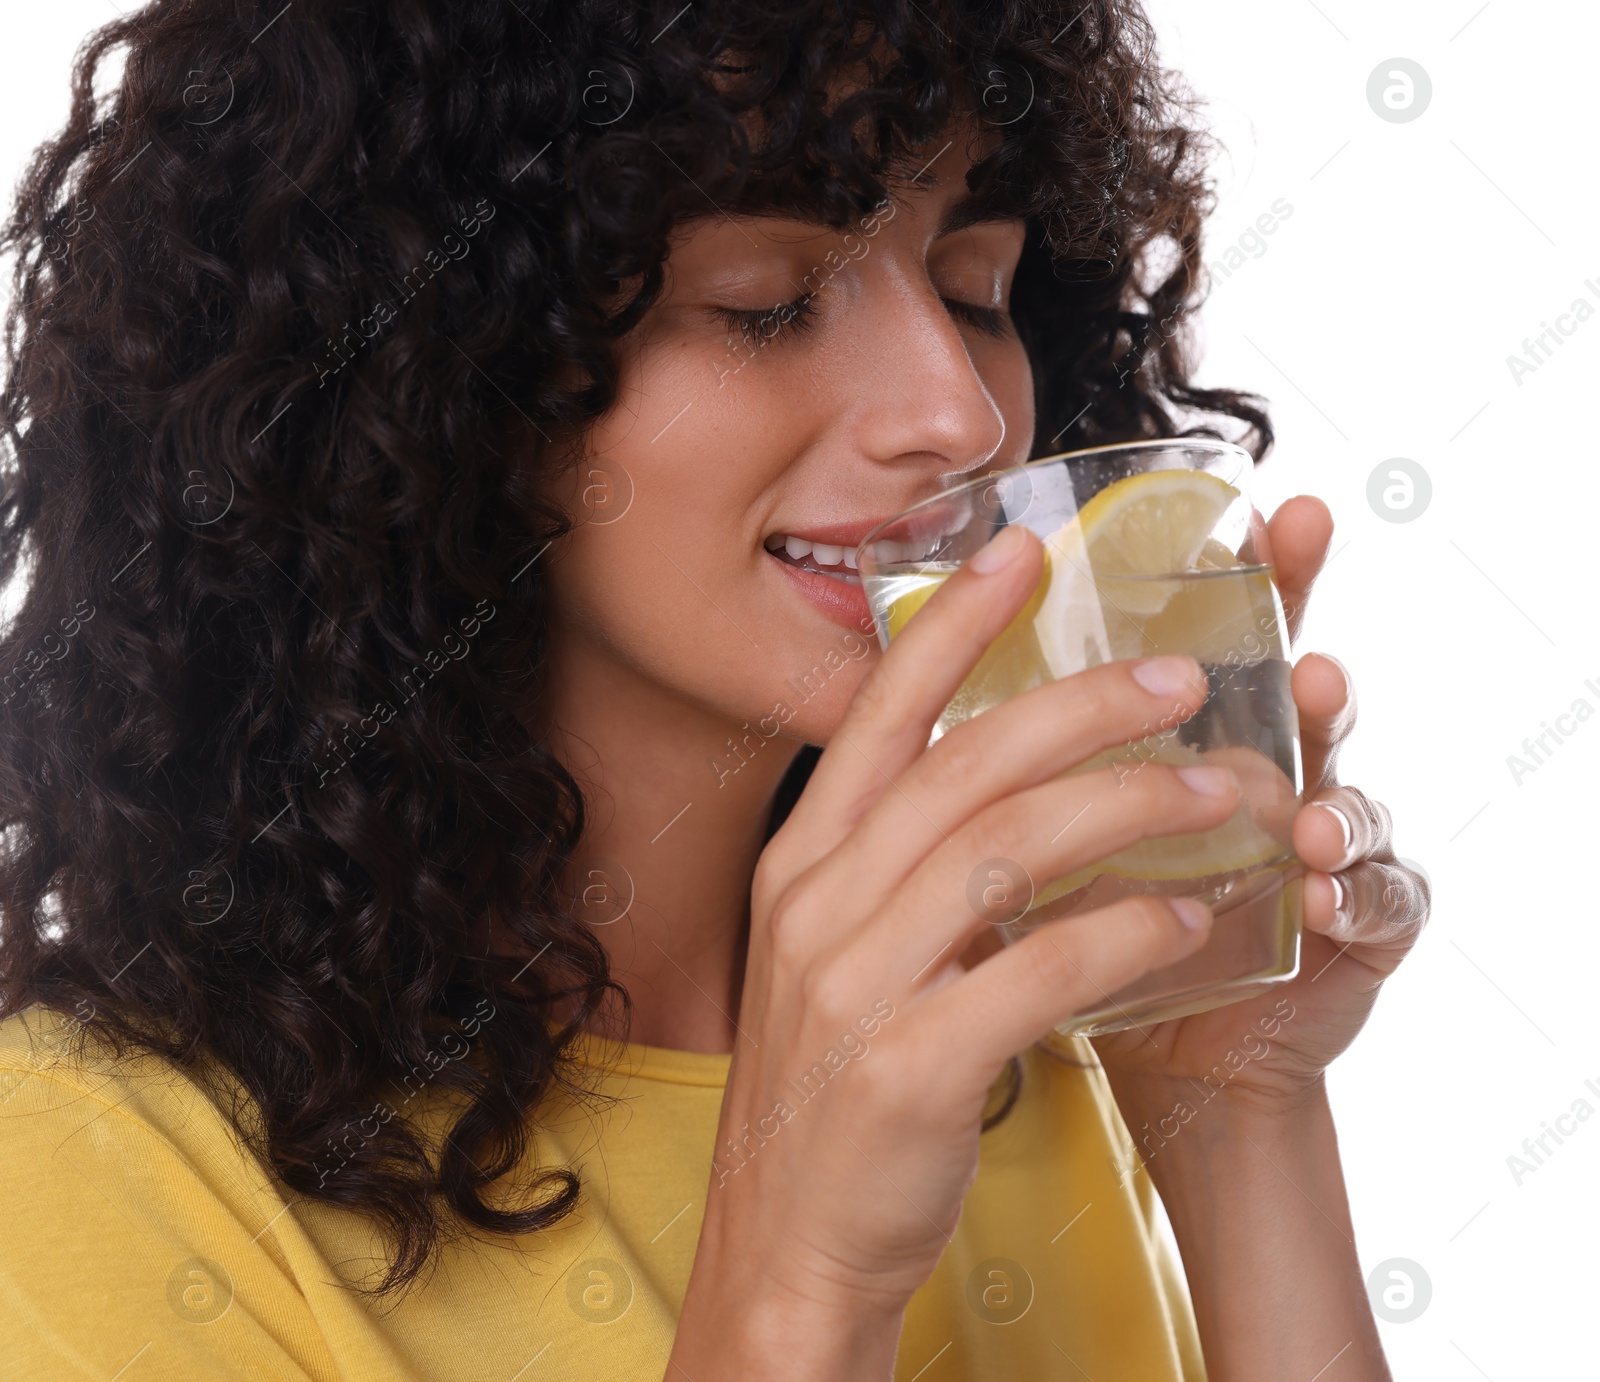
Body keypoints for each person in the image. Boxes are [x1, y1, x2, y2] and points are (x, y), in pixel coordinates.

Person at [0, 2, 1428, 1378]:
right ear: (431, 372)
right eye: (768, 304)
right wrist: (804, 1294)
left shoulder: (1015, 1004)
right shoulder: (90, 1167)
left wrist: (1236, 1107)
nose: (960, 413)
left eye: (973, 286)